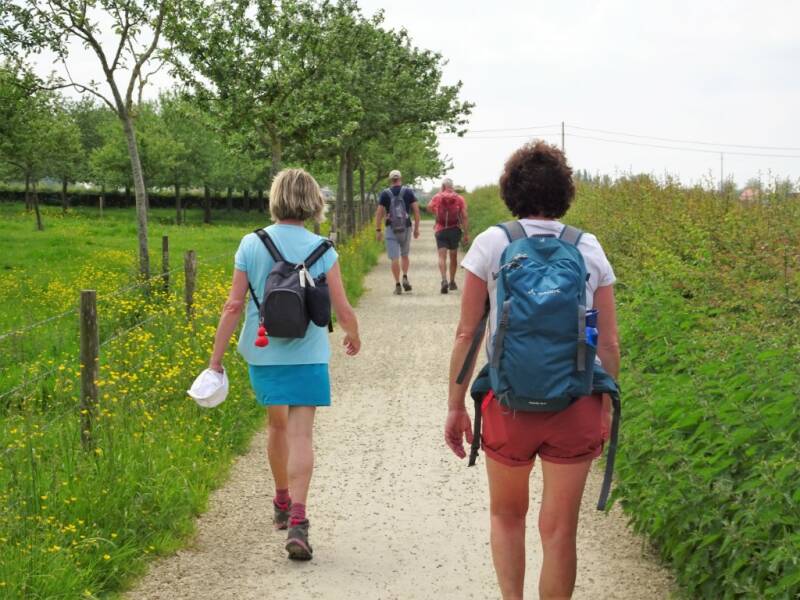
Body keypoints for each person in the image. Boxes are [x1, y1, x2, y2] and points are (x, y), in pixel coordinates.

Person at [444, 142, 619, 600]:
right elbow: (608, 343)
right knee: (560, 530)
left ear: (510, 191)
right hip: (575, 401)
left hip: (507, 403)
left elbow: (467, 334)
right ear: (565, 193)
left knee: (507, 517)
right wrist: (604, 408)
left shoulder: (492, 243)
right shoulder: (587, 247)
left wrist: (456, 406)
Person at [208, 168, 361, 561]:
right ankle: (298, 520)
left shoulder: (251, 243)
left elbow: (233, 305)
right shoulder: (324, 248)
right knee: (301, 435)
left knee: (276, 426)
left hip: (263, 351)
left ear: (275, 199)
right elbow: (343, 307)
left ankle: (280, 500)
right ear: (313, 202)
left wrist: (216, 360)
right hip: (308, 355)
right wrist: (353, 334)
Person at [375, 169, 421, 295]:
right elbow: (416, 211)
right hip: (406, 227)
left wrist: (378, 230)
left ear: (390, 180)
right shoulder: (408, 192)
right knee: (405, 255)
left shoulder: (385, 194)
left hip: (391, 228)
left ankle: (397, 284)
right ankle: (405, 276)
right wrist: (416, 228)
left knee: (394, 258)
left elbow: (379, 213)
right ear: (400, 179)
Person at [427, 177, 469, 294]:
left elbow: (429, 207)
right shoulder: (459, 198)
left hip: (440, 229)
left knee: (442, 257)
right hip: (454, 229)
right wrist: (466, 233)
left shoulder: (437, 196)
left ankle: (444, 280)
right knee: (453, 256)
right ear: (452, 186)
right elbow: (464, 216)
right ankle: (452, 282)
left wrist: (436, 212)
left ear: (443, 186)